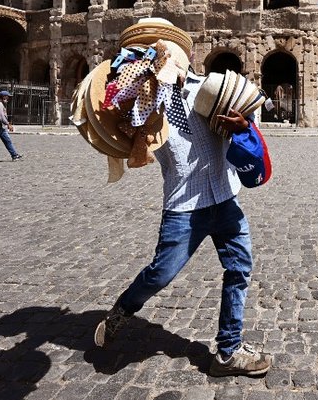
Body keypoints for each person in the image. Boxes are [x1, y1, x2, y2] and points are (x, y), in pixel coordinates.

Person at [93, 19, 272, 378]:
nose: (166, 59)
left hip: (225, 199)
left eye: (170, 52)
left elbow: (249, 129)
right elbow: (110, 128)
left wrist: (243, 128)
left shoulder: (212, 89)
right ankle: (122, 310)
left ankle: (228, 350)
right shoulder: (141, 103)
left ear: (183, 55)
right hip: (183, 207)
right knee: (160, 274)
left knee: (239, 268)